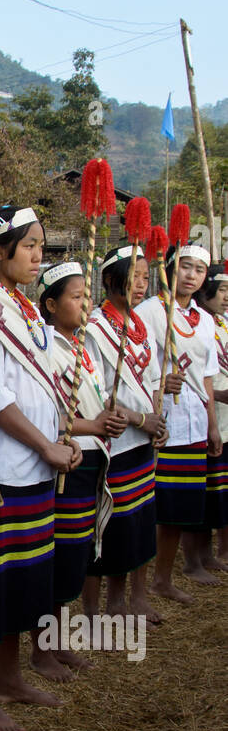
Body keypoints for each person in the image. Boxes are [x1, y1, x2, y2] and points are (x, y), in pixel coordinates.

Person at [0, 204, 81, 731]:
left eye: (39, 245)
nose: (38, 255)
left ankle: (11, 678)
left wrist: (63, 437)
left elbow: (42, 385)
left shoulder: (23, 307)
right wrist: (44, 445)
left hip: (37, 464)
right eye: (29, 245)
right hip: (5, 468)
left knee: (28, 576)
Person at [32, 262, 123, 678]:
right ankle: (42, 649)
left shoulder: (83, 346)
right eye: (74, 297)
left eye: (88, 296)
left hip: (91, 460)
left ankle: (57, 640)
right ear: (50, 304)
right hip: (68, 461)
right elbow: (50, 413)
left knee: (75, 555)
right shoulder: (45, 347)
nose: (85, 304)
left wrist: (110, 419)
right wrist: (93, 425)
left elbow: (95, 400)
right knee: (59, 556)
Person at [83, 246, 167, 624]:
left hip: (142, 444)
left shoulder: (140, 325)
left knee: (136, 523)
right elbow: (95, 395)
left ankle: (126, 600)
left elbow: (150, 380)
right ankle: (94, 611)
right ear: (110, 279)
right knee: (107, 526)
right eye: (133, 276)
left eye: (146, 278)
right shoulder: (95, 329)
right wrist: (138, 419)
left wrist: (156, 419)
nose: (140, 284)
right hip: (113, 445)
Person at [137, 244, 222, 601]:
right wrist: (160, 383)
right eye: (185, 267)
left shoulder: (205, 319)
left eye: (199, 270)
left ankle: (163, 578)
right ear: (171, 267)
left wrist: (213, 426)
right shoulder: (150, 311)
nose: (191, 275)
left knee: (181, 507)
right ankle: (141, 583)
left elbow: (206, 376)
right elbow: (137, 368)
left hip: (195, 423)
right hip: (162, 423)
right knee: (155, 507)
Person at [195, 263, 228, 568]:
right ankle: (204, 554)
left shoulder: (222, 322)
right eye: (222, 290)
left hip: (223, 418)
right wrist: (218, 396)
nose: (226, 296)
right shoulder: (198, 323)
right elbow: (199, 376)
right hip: (210, 415)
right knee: (211, 490)